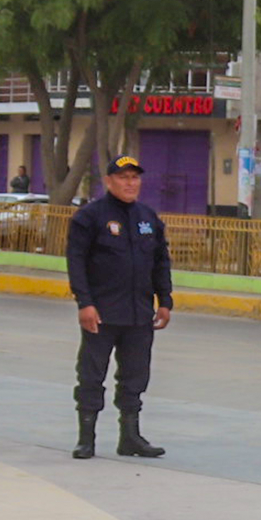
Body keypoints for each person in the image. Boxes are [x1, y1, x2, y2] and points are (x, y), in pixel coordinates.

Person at [65, 155, 174, 460]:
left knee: (135, 376)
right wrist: (84, 303)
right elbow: (77, 262)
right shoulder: (90, 217)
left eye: (134, 177)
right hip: (101, 313)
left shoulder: (147, 218)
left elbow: (160, 262)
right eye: (123, 177)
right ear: (109, 181)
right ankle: (86, 438)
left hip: (139, 314)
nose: (130, 183)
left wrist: (164, 300)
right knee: (91, 375)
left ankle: (130, 437)